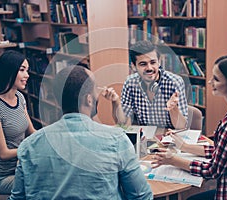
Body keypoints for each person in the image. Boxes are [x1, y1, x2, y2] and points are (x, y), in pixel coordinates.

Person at [8, 65, 153, 199]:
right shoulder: (116, 139)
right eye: (95, 88)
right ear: (88, 100)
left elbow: (17, 198)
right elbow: (142, 196)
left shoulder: (29, 145)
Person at [152, 54, 227, 199]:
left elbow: (213, 170)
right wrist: (185, 146)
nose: (210, 82)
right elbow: (226, 151)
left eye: (216, 79)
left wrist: (173, 160)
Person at [0, 50, 36, 194]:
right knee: (42, 183)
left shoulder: (20, 98)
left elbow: (32, 132)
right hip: (0, 177)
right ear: (9, 71)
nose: (27, 75)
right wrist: (30, 150)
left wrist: (53, 134)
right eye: (22, 70)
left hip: (21, 167)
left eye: (27, 70)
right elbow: (4, 153)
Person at [102, 40, 188, 129]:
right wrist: (115, 102)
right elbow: (122, 123)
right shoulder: (130, 83)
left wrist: (173, 109)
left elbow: (181, 127)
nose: (149, 68)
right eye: (143, 64)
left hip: (170, 138)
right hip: (145, 138)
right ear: (133, 66)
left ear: (159, 62)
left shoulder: (175, 82)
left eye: (153, 62)